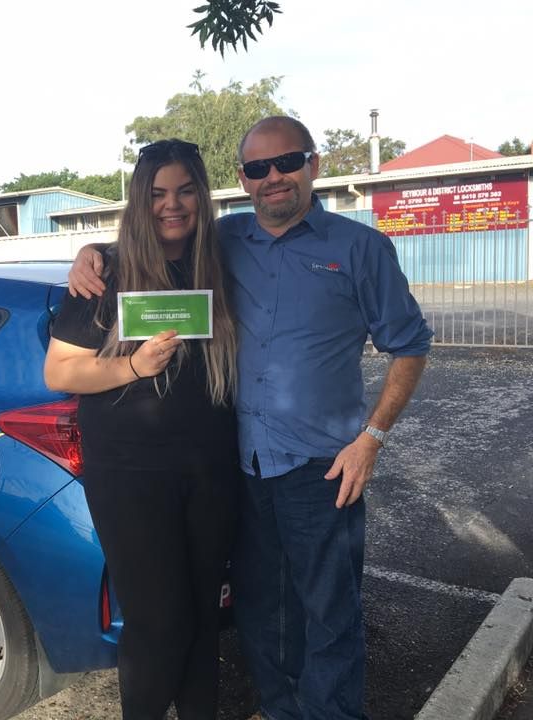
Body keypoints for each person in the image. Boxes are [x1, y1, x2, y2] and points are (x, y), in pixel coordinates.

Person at [68, 117, 433, 720]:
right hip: (244, 467)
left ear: (313, 165)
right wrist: (93, 254)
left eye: (287, 162)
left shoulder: (359, 248)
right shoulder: (226, 239)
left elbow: (411, 345)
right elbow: (157, 234)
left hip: (323, 469)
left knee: (330, 614)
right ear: (243, 178)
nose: (274, 177)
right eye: (259, 168)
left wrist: (371, 438)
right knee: (263, 612)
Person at [44, 139, 239, 720]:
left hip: (211, 471)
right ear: (139, 200)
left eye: (184, 191)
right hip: (131, 476)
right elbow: (59, 371)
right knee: (158, 625)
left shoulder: (221, 261)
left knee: (203, 619)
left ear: (202, 196)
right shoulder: (105, 272)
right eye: (157, 194)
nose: (171, 205)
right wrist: (133, 366)